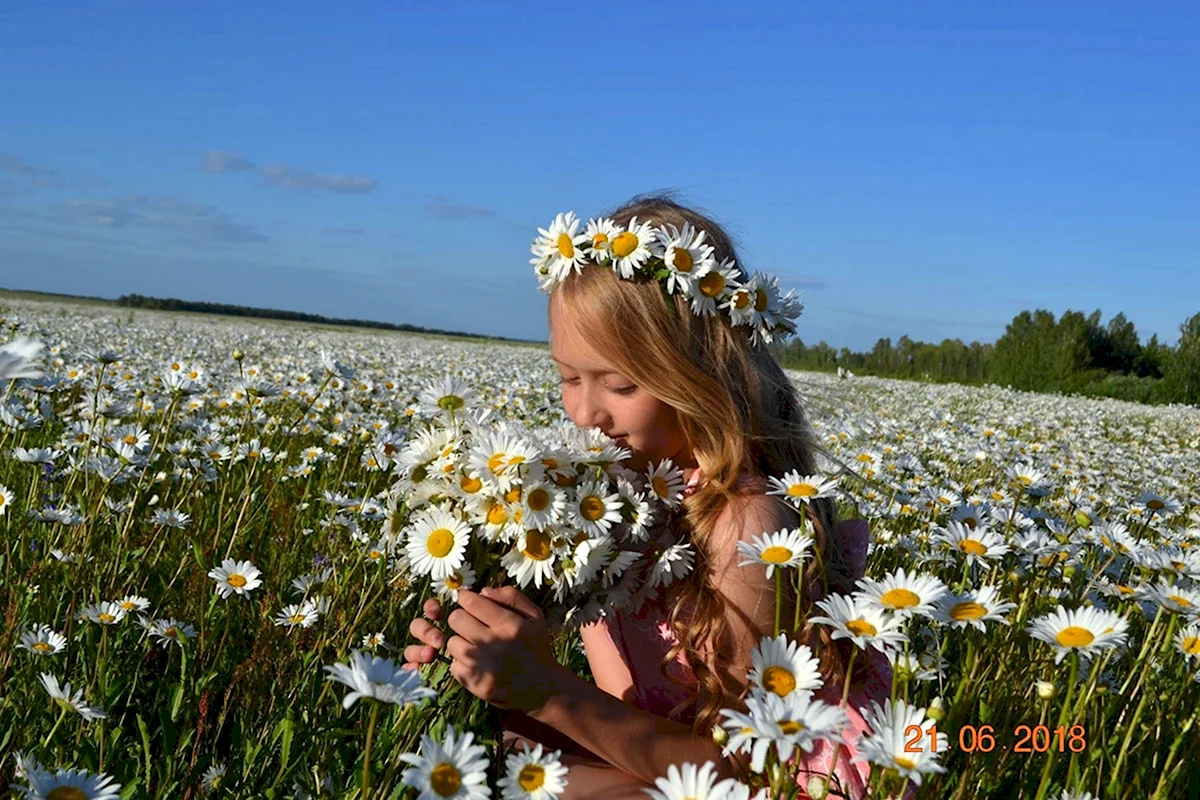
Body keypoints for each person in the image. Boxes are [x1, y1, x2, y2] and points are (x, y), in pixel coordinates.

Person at [403, 192, 896, 799]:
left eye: (619, 383)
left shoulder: (746, 525)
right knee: (520, 759)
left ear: (701, 375)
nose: (585, 413)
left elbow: (741, 771)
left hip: (770, 782)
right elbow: (623, 701)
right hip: (660, 753)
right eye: (567, 377)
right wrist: (488, 635)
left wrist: (547, 690)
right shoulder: (604, 498)